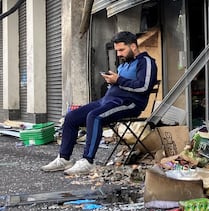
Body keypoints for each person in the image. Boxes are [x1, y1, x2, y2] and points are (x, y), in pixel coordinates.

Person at [42, 31, 158, 175]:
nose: (119, 54)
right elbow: (121, 83)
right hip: (108, 101)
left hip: (129, 103)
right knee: (71, 117)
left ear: (133, 46)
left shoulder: (146, 62)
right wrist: (111, 81)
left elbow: (144, 86)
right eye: (117, 51)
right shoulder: (124, 65)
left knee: (94, 116)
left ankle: (88, 161)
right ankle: (64, 159)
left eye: (122, 50)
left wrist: (118, 80)